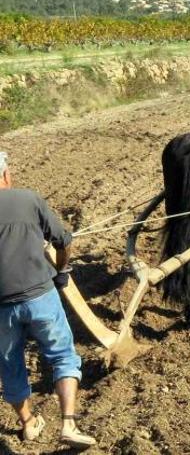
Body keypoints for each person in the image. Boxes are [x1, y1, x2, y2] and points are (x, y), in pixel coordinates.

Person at [0, 152, 96, 448]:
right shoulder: (28, 199)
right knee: (62, 355)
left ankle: (28, 423)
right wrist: (61, 270)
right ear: (5, 175)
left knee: (10, 365)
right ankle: (68, 423)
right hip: (41, 295)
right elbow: (63, 241)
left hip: (2, 308)